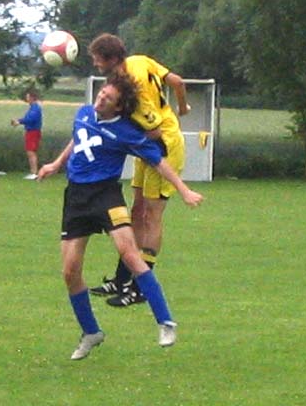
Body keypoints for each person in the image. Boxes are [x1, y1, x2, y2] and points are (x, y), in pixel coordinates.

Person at [37, 75, 203, 360]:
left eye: (108, 98)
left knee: (129, 253)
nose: (100, 99)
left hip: (106, 196)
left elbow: (159, 162)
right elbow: (78, 137)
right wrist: (56, 163)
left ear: (118, 108)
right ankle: (91, 332)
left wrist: (184, 190)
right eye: (102, 93)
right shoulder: (84, 112)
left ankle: (165, 321)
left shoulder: (128, 132)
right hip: (76, 198)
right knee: (70, 271)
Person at [88, 33, 191, 307]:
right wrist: (182, 107)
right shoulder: (138, 61)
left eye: (98, 60)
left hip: (161, 145)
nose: (95, 65)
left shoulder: (134, 87)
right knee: (135, 210)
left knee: (151, 215)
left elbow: (154, 130)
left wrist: (122, 129)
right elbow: (177, 82)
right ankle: (122, 278)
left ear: (111, 59)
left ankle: (141, 287)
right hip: (144, 145)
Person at [11, 89, 43, 180]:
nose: (26, 98)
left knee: (31, 152)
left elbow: (30, 119)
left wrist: (19, 121)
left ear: (32, 98)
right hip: (31, 132)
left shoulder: (35, 108)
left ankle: (34, 173)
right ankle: (33, 171)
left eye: (28, 97)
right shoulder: (33, 107)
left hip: (33, 132)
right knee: (30, 152)